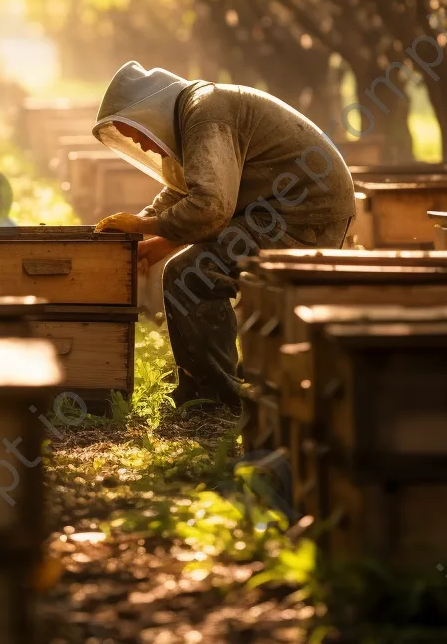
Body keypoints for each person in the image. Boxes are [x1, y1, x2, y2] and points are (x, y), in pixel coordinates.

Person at [92, 61, 356, 411]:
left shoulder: (205, 115)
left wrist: (143, 228)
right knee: (198, 266)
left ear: (149, 111)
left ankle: (215, 397)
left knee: (191, 273)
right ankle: (218, 384)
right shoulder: (198, 110)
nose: (139, 143)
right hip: (282, 209)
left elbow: (211, 208)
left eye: (135, 131)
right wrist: (151, 234)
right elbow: (186, 191)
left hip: (303, 214)